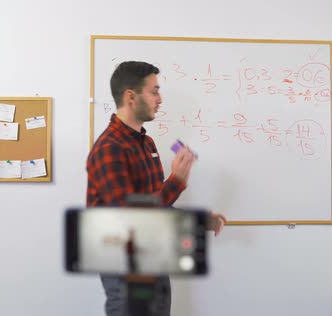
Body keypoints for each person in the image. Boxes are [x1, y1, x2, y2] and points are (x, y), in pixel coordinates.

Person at [86, 61, 227, 316]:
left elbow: (155, 206)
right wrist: (177, 181)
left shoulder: (147, 142)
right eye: (154, 91)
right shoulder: (109, 148)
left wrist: (199, 221)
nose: (160, 99)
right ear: (131, 96)